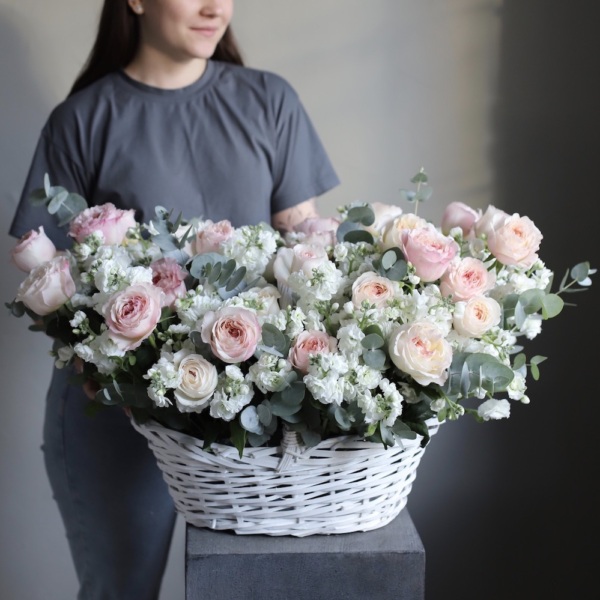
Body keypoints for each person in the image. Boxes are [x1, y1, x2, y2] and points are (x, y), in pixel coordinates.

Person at [9, 1, 340, 598]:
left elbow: (307, 260)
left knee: (252, 589)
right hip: (117, 417)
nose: (216, 7)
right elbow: (52, 293)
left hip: (253, 414)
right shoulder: (81, 120)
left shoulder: (269, 101)